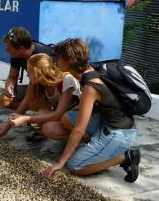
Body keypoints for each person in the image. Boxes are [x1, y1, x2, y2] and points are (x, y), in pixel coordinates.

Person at [42, 38, 141, 183]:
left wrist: (60, 161)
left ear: (69, 60)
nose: (55, 61)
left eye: (58, 57)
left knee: (74, 166)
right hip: (106, 123)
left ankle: (126, 157)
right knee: (66, 118)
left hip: (119, 133)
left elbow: (79, 130)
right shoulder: (89, 71)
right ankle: (97, 148)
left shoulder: (91, 86)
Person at [0, 53, 81, 142]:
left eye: (29, 73)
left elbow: (58, 114)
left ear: (39, 73)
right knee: (41, 113)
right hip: (62, 115)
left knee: (49, 129)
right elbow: (27, 100)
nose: (27, 76)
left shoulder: (66, 79)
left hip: (75, 117)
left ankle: (80, 141)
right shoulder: (38, 81)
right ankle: (65, 138)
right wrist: (7, 125)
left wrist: (25, 118)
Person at [0, 27, 55, 111]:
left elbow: (53, 82)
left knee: (35, 92)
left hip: (51, 90)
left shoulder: (42, 57)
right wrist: (9, 86)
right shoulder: (16, 55)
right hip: (35, 87)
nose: (6, 50)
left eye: (8, 47)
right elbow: (12, 76)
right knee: (5, 100)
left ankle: (45, 114)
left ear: (21, 48)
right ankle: (37, 113)